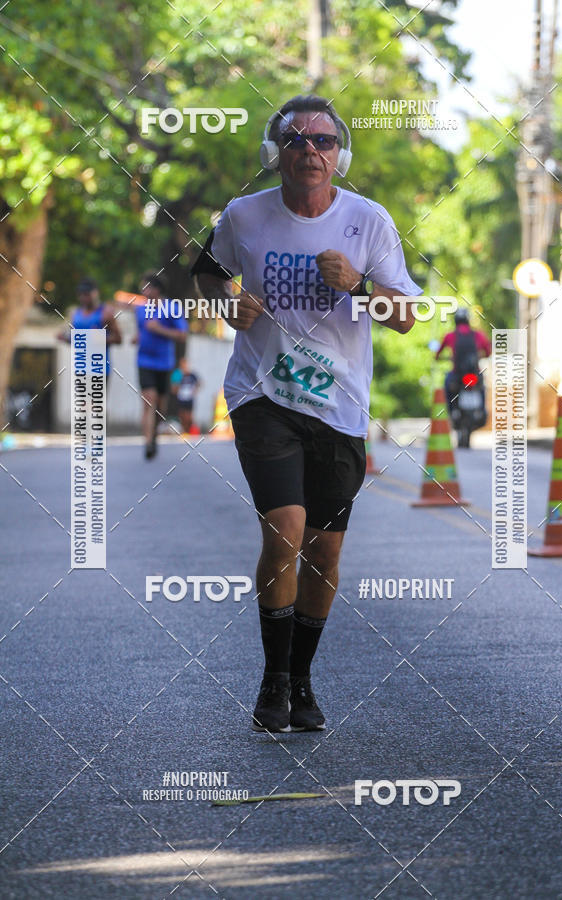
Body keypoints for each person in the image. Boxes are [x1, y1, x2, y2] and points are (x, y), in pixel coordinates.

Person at [192, 94, 422, 733]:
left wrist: (360, 286)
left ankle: (301, 677)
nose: (310, 152)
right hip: (262, 394)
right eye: (295, 141)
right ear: (277, 155)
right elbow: (206, 278)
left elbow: (404, 317)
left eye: (322, 141)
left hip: (339, 405)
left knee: (323, 553)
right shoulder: (243, 216)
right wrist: (225, 304)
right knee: (285, 530)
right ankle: (272, 679)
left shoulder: (369, 221)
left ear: (339, 155)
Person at [134, 273, 188, 459]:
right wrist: (138, 338)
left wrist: (159, 330)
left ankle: (154, 435)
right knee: (148, 400)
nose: (143, 290)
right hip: (144, 361)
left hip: (164, 363)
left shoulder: (172, 308)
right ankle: (148, 442)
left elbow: (182, 335)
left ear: (156, 290)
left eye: (146, 286)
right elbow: (141, 331)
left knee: (160, 407)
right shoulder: (140, 310)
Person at [57, 277, 122, 375]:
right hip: (80, 368)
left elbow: (118, 339)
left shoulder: (106, 313)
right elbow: (76, 340)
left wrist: (100, 338)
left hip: (99, 369)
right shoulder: (75, 314)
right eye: (80, 295)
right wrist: (64, 338)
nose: (83, 298)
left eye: (87, 294)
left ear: (96, 293)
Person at [435, 307, 491, 418]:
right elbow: (488, 351)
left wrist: (439, 358)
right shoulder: (478, 335)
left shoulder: (450, 336)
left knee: (447, 385)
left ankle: (452, 412)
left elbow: (438, 354)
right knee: (482, 387)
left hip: (457, 374)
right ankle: (482, 410)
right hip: (474, 374)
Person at [171, 357, 200, 434]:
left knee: (189, 416)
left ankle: (188, 430)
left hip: (189, 398)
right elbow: (173, 388)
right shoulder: (178, 374)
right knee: (182, 415)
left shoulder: (192, 375)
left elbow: (199, 383)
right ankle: (183, 431)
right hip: (181, 398)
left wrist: (195, 390)